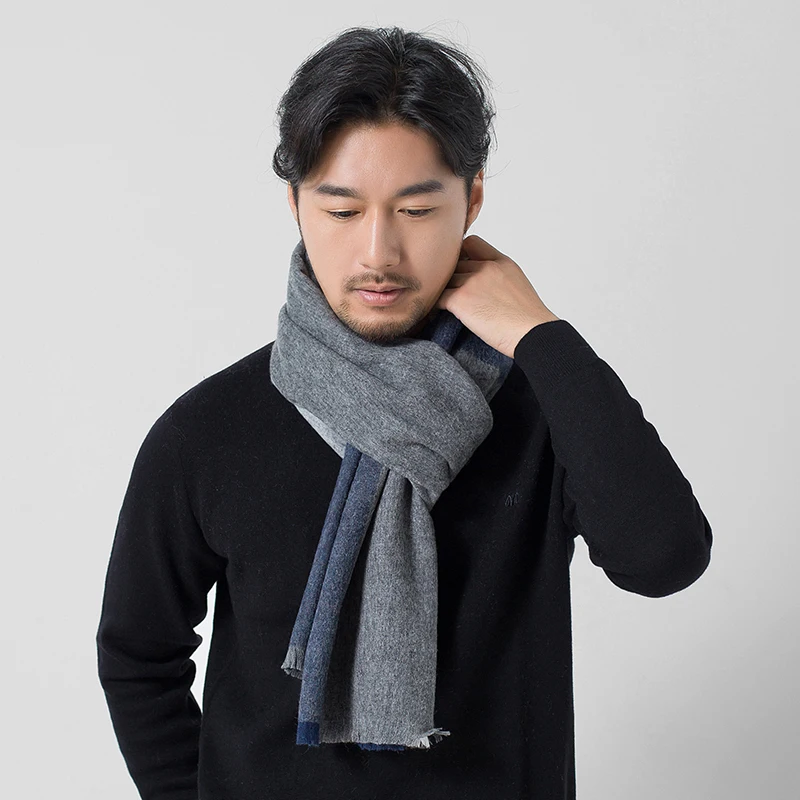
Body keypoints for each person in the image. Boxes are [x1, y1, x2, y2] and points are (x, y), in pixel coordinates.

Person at [96, 25, 713, 800]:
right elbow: (138, 656)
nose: (378, 253)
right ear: (295, 205)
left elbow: (664, 559)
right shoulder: (210, 430)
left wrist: (541, 336)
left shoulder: (541, 411)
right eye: (342, 211)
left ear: (472, 199)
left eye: (417, 210)